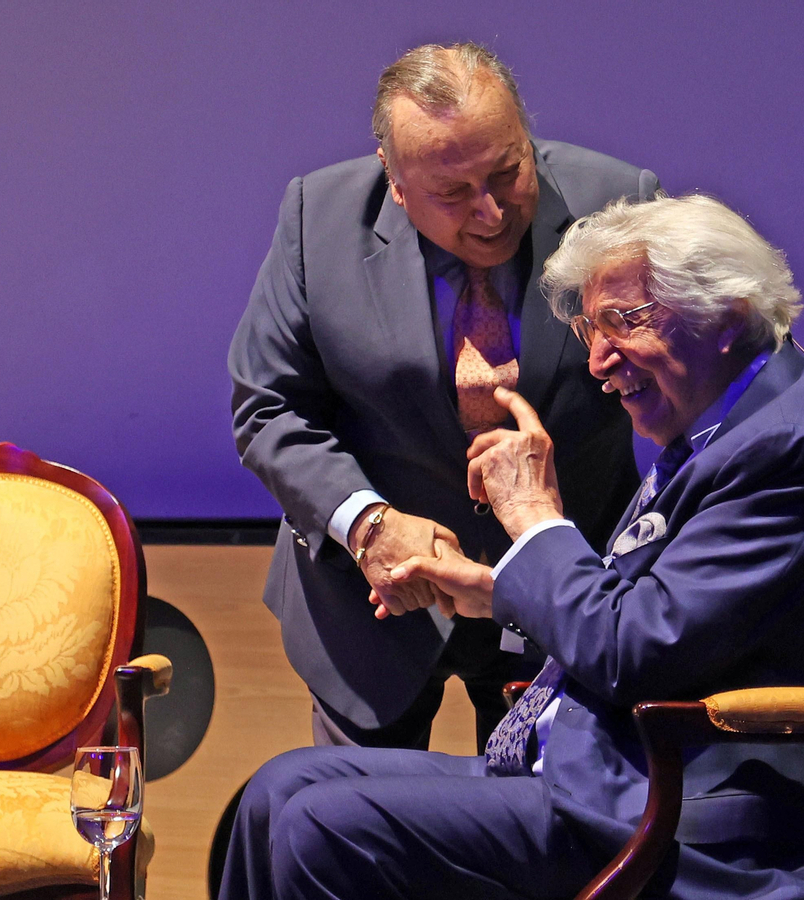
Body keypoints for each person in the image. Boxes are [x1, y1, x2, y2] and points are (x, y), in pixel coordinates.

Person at [219, 194, 804, 900]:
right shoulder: (732, 419)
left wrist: (534, 516)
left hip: (698, 816)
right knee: (277, 792)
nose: (598, 361)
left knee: (324, 827)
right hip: (617, 769)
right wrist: (494, 590)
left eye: (619, 323)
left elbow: (632, 649)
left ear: (725, 318)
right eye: (587, 326)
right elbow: (651, 613)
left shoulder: (789, 447)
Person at [229, 43, 657, 749]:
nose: (491, 212)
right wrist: (367, 525)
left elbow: (689, 380)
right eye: (452, 193)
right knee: (364, 842)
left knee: (547, 849)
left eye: (507, 171)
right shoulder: (318, 218)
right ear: (395, 183)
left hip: (561, 605)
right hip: (372, 605)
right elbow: (269, 406)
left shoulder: (621, 206)